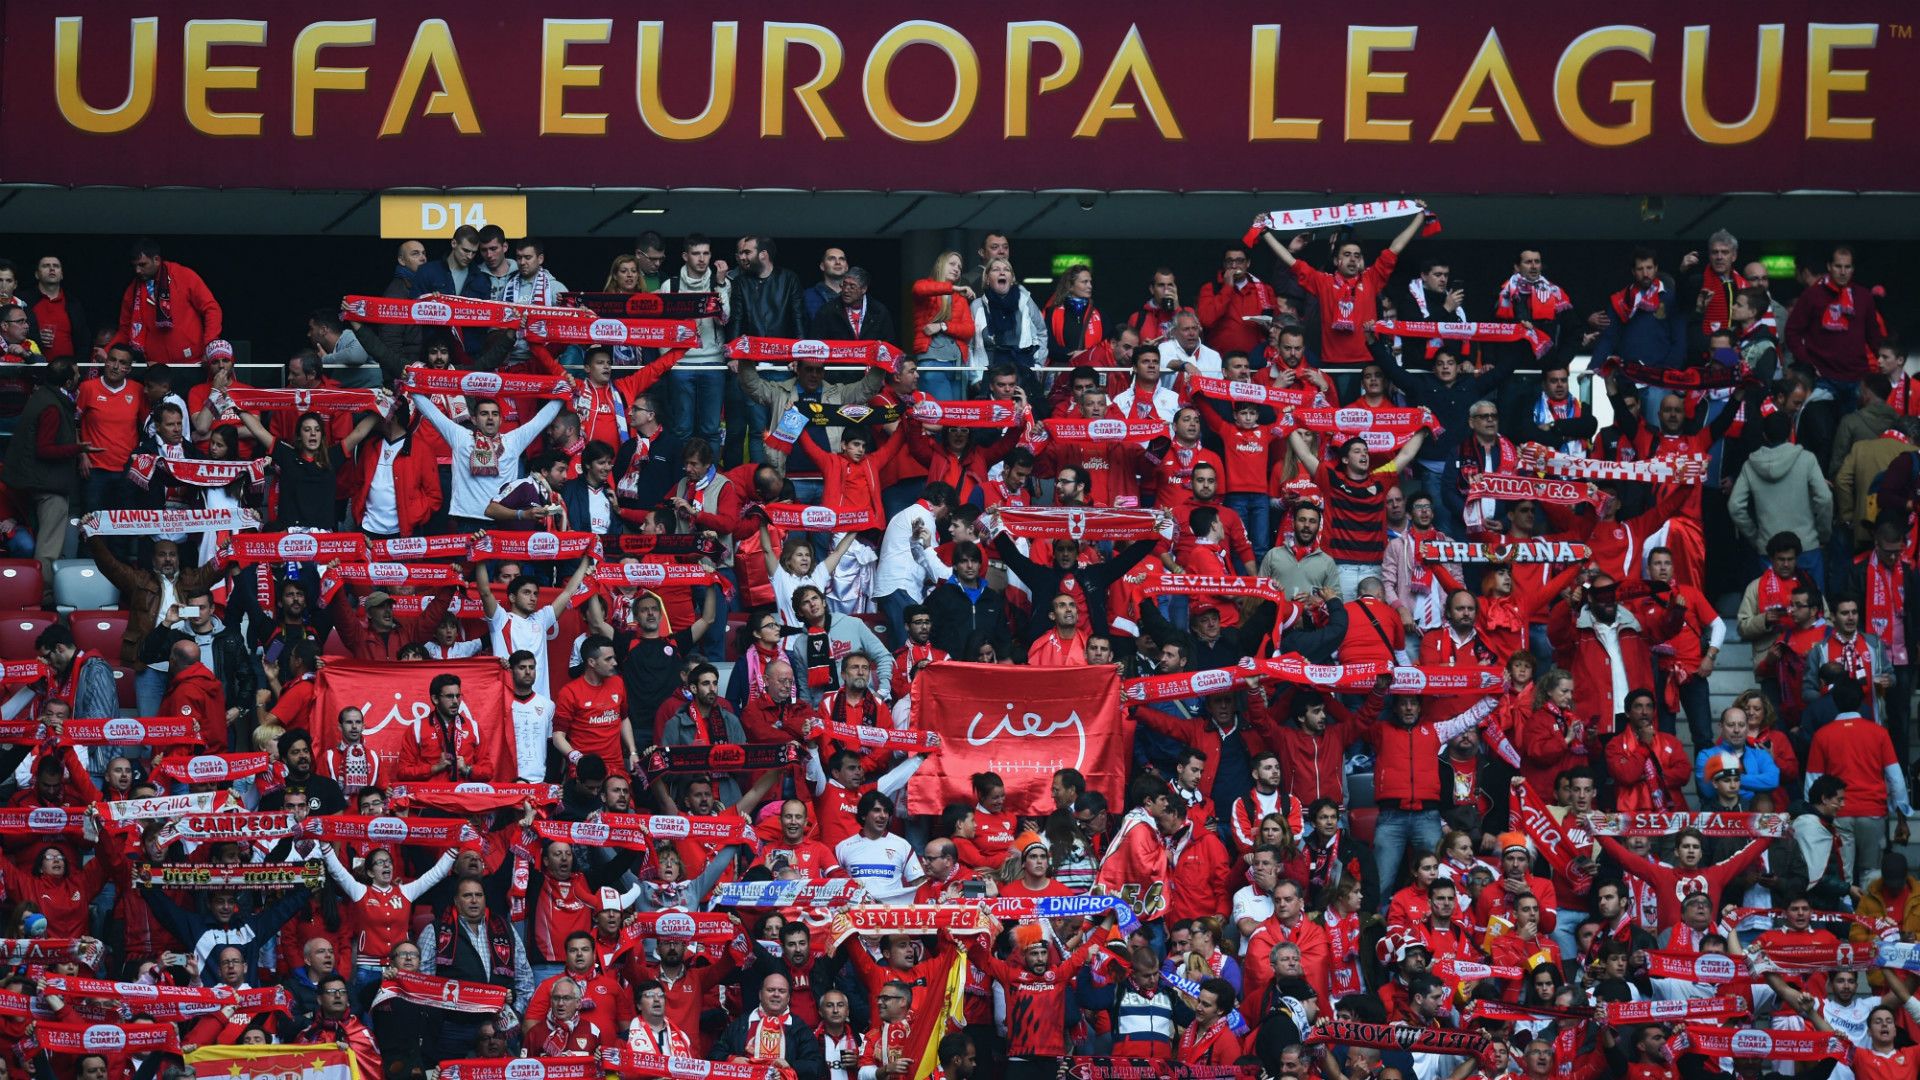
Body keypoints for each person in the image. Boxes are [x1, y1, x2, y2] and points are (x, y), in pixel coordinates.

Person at [1256, 203, 1429, 364]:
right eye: (1347, 255)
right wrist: (1265, 233)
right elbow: (1290, 262)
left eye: (1356, 255)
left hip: (1367, 362)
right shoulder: (1323, 281)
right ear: (1336, 261)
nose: (1352, 259)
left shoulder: (1371, 278)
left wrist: (1419, 217)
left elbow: (1395, 248)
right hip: (1332, 363)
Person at [117, 237, 222, 367]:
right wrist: (107, 351)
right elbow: (125, 330)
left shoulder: (183, 276)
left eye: (142, 265)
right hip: (156, 367)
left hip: (193, 362)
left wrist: (210, 345)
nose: (137, 270)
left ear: (156, 260)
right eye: (135, 266)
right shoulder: (132, 290)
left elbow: (211, 309)